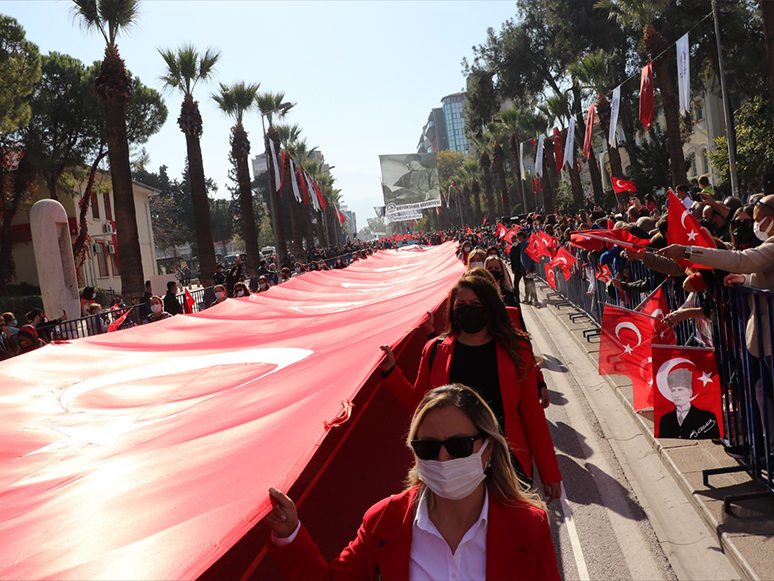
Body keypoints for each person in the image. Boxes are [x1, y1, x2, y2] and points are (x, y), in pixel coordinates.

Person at [264, 384, 560, 581]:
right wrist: (290, 533)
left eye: (458, 446)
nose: (443, 460)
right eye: (429, 448)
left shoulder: (530, 527)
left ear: (489, 448)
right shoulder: (383, 521)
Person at [379, 274, 562, 501]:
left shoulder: (516, 348)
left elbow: (531, 414)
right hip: (454, 462)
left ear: (490, 307)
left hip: (506, 461)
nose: (468, 310)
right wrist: (390, 371)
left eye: (476, 305)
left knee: (507, 531)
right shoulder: (434, 350)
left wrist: (550, 473)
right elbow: (420, 406)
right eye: (461, 305)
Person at [658, 368, 720, 439]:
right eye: (673, 391)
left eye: (680, 390)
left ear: (690, 392)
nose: (676, 395)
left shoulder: (707, 417)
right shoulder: (665, 420)